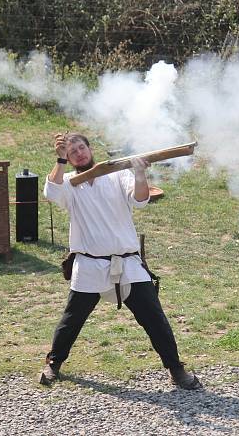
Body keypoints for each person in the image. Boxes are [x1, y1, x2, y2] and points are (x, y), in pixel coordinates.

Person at [39, 132, 201, 390]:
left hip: (128, 264)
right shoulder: (69, 182)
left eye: (82, 148)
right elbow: (51, 192)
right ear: (68, 159)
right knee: (72, 319)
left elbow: (140, 200)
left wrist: (139, 173)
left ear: (90, 149)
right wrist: (58, 161)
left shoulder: (117, 173)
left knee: (155, 319)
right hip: (89, 264)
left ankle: (176, 369)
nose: (79, 153)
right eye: (72, 152)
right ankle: (53, 363)